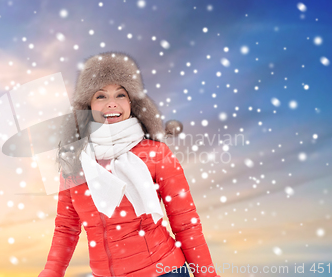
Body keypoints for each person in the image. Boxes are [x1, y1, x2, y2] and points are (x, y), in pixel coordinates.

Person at [39, 52, 220, 277]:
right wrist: (50, 273)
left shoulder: (156, 153)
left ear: (131, 102)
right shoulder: (75, 162)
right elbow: (66, 228)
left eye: (120, 94)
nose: (112, 103)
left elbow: (185, 223)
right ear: (87, 105)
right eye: (101, 96)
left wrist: (207, 274)